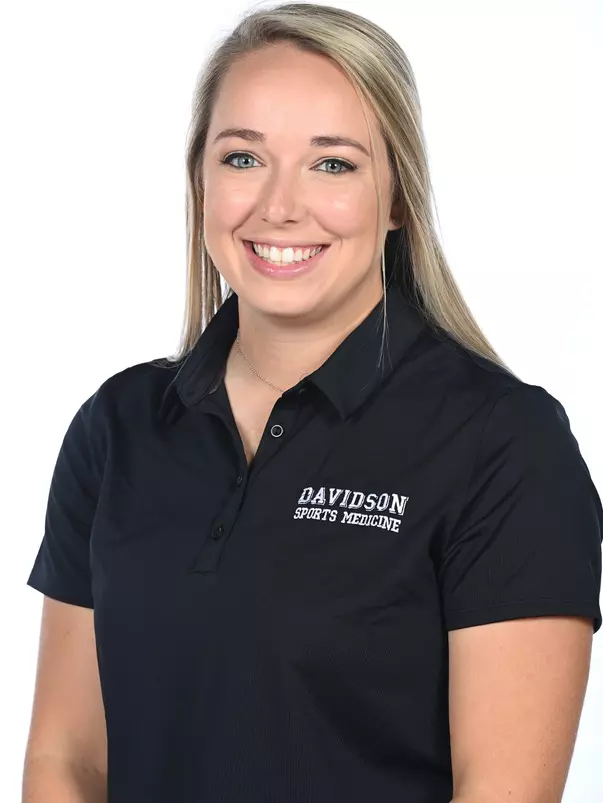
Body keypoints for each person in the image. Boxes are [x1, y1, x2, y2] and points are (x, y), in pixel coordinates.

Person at [22, 3, 602, 802]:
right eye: (242, 158)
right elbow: (68, 760)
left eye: (333, 164)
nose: (279, 206)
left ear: (397, 196)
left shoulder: (503, 445)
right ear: (200, 179)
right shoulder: (117, 428)